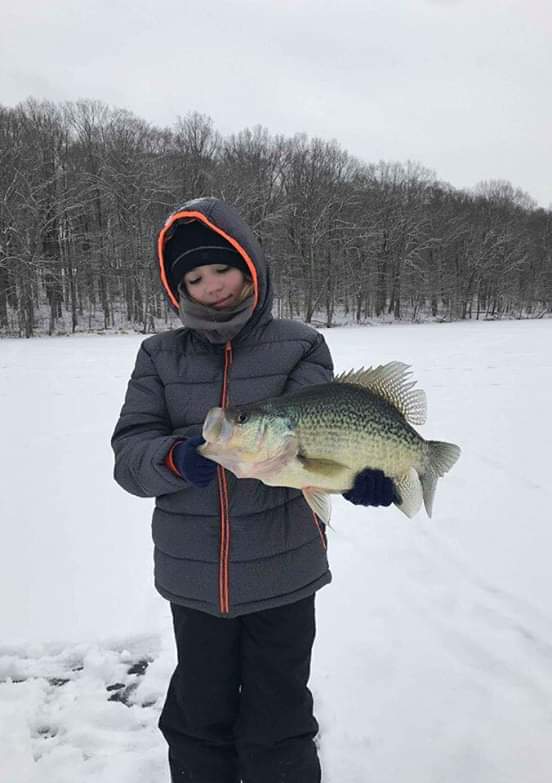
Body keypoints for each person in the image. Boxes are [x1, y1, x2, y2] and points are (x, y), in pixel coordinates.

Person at [111, 197, 396, 783]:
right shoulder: (158, 356)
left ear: (250, 267)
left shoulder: (301, 345)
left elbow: (317, 435)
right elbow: (130, 453)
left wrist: (358, 475)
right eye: (194, 278)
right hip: (193, 577)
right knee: (198, 717)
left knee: (279, 718)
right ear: (177, 288)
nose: (211, 286)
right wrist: (173, 458)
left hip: (284, 573)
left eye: (222, 268)